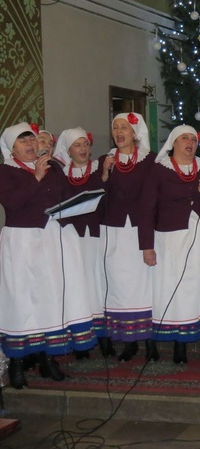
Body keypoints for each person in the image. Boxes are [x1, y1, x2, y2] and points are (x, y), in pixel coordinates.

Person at [0, 122, 94, 389]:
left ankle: (48, 360)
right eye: (23, 142)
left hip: (52, 237)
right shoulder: (5, 171)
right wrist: (37, 178)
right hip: (22, 241)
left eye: (32, 139)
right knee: (22, 300)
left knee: (50, 297)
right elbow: (12, 203)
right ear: (12, 148)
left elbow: (63, 197)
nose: (30, 145)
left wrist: (81, 203)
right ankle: (18, 363)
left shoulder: (53, 167)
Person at [139, 125, 200, 364]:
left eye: (193, 139)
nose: (190, 143)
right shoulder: (158, 170)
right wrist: (147, 245)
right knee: (176, 288)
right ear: (173, 143)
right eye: (184, 138)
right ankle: (179, 344)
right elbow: (146, 208)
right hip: (171, 238)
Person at [100, 112, 157, 362]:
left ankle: (151, 340)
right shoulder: (106, 160)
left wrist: (148, 241)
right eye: (115, 127)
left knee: (146, 284)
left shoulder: (150, 161)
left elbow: (152, 200)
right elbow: (97, 197)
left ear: (135, 133)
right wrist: (103, 175)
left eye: (124, 127)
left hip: (142, 230)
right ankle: (129, 340)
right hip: (113, 232)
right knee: (120, 286)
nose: (119, 131)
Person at [53, 127, 113, 359]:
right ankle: (81, 341)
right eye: (77, 145)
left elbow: (111, 198)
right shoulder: (61, 174)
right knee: (80, 286)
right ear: (68, 150)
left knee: (100, 284)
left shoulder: (100, 168)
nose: (83, 149)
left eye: (86, 144)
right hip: (74, 239)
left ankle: (104, 337)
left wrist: (106, 179)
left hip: (98, 235)